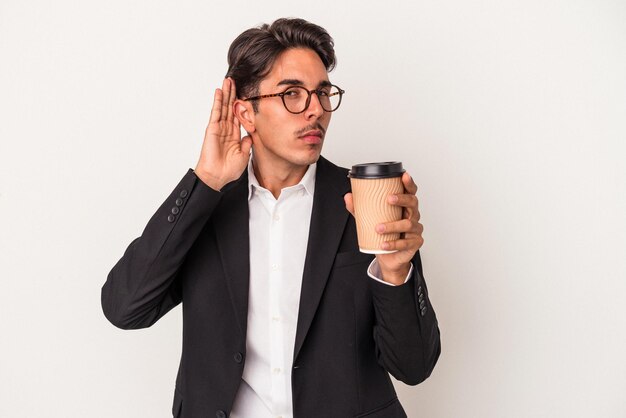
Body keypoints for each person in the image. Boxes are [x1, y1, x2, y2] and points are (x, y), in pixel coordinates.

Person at [101, 17, 440, 418]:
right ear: (246, 113)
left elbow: (414, 367)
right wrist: (205, 180)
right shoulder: (206, 208)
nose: (315, 110)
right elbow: (125, 308)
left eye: (322, 93)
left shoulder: (365, 202)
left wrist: (396, 273)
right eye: (292, 94)